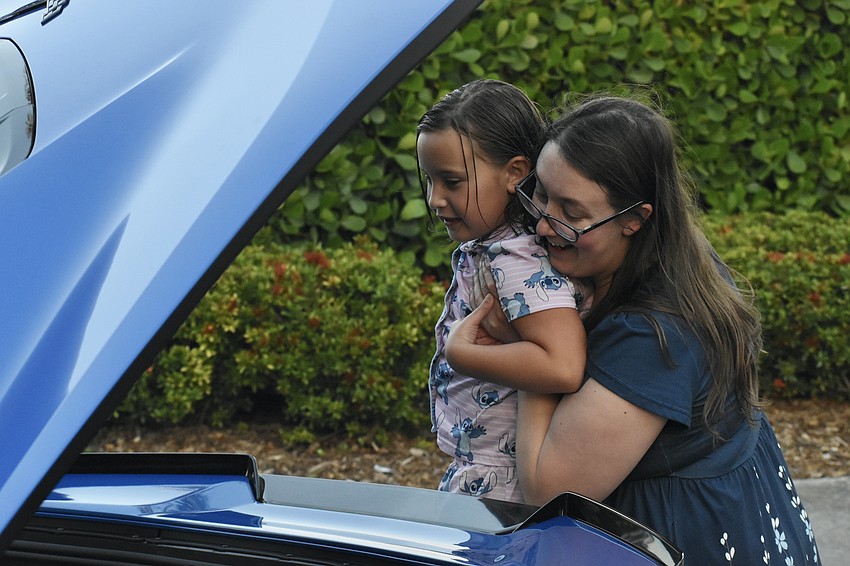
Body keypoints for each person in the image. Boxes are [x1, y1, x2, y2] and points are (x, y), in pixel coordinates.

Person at [448, 94, 820, 563]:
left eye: (572, 212)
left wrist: (532, 348)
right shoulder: (677, 257)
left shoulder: (655, 333)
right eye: (540, 193)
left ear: (634, 220)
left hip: (686, 536)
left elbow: (549, 488)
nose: (543, 225)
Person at [416, 79, 589, 503]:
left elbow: (564, 365)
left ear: (514, 173)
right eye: (429, 180)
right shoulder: (497, 250)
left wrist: (461, 353)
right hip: (486, 468)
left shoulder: (514, 258)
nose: (436, 199)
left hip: (503, 483)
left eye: (452, 181)